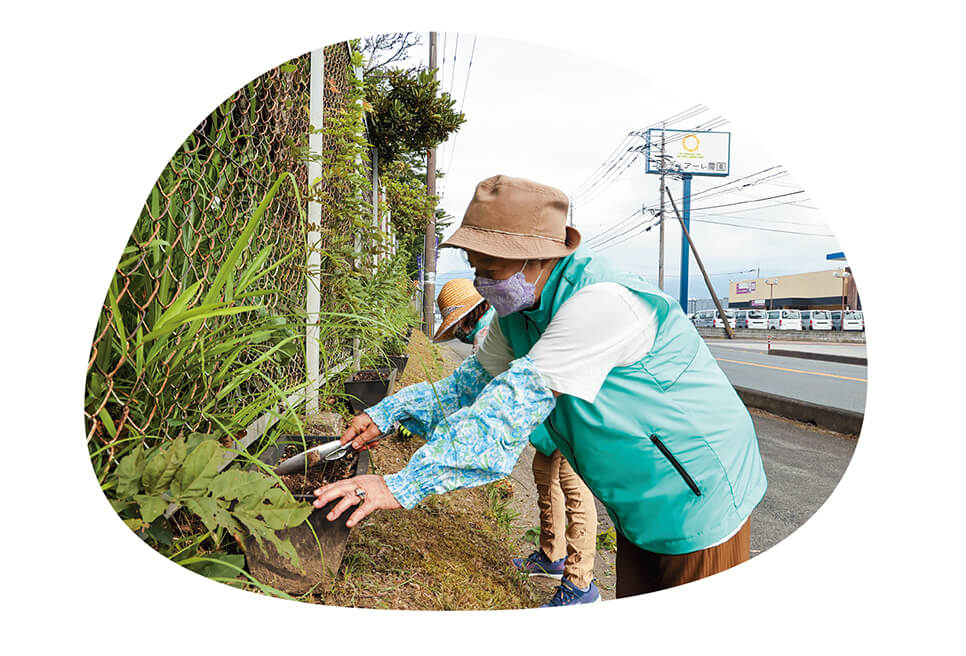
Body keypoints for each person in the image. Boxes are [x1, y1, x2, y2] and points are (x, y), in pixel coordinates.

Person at [314, 174, 767, 602]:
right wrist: (386, 414)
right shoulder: (520, 315)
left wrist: (402, 484)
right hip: (636, 493)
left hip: (696, 488)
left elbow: (507, 409)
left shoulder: (600, 303)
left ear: (535, 255)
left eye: (490, 266)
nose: (481, 281)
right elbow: (466, 387)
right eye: (475, 267)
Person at [432, 278, 599, 605]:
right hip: (547, 421)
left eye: (459, 326)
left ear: (473, 312)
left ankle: (581, 583)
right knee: (543, 473)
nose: (460, 334)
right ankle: (553, 556)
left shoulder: (489, 330)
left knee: (573, 486)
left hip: (561, 413)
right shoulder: (493, 328)